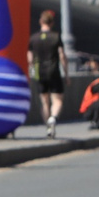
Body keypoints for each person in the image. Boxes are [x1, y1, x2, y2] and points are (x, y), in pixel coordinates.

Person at [26, 10, 67, 138]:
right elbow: (62, 56)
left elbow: (30, 59)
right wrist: (66, 73)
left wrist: (32, 72)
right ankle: (53, 118)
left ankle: (48, 129)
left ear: (40, 21)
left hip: (40, 73)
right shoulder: (56, 37)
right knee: (58, 101)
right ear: (52, 23)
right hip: (53, 71)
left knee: (45, 102)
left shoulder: (34, 38)